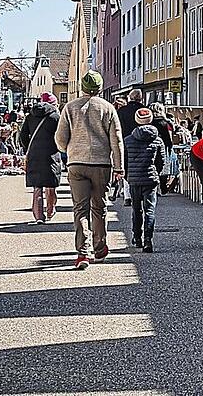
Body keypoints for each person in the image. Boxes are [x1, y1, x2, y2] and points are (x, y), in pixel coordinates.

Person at [55, 71, 124, 270]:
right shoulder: (108, 108)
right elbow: (116, 140)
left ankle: (82, 253)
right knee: (99, 208)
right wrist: (119, 167)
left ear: (82, 87)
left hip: (76, 164)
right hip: (102, 164)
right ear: (100, 88)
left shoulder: (70, 107)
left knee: (80, 209)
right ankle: (100, 248)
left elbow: (60, 139)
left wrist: (69, 149)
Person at [124, 108, 165, 252]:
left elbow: (124, 162)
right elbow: (161, 162)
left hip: (134, 180)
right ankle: (148, 240)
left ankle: (137, 237)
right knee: (150, 210)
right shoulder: (157, 140)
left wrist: (128, 176)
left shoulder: (128, 140)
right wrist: (155, 173)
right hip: (150, 179)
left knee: (136, 210)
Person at [20, 93, 62, 224]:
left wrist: (29, 148)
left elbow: (22, 136)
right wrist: (59, 148)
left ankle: (38, 216)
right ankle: (50, 210)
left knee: (37, 187)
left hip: (34, 154)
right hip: (51, 154)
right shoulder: (56, 117)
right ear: (54, 104)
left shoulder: (30, 116)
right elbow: (61, 136)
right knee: (50, 186)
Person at [117, 89, 145, 207]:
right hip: (142, 143)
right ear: (141, 98)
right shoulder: (144, 110)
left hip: (125, 142)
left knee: (127, 168)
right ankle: (141, 193)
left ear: (129, 98)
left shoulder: (122, 111)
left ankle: (128, 195)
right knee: (142, 167)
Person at [149, 103, 174, 194]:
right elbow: (169, 138)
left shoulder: (149, 122)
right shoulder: (165, 123)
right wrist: (170, 147)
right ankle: (162, 188)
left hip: (150, 146)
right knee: (162, 165)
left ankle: (153, 187)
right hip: (163, 146)